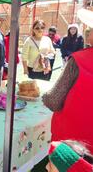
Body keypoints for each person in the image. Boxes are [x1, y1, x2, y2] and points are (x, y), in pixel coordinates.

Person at [42, 8, 93, 153]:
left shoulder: (79, 60)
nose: (88, 33)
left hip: (73, 138)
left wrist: (44, 97)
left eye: (90, 30)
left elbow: (53, 100)